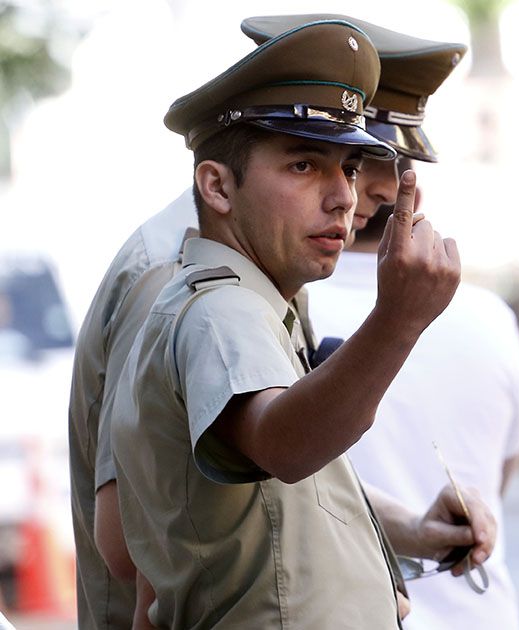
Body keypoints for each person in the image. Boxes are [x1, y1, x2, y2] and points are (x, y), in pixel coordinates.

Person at [67, 17, 476, 629]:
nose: (365, 193)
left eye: (355, 163)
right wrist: (397, 321)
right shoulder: (194, 290)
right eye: (306, 164)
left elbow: (262, 495)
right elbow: (135, 541)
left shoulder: (264, 279)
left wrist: (396, 541)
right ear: (218, 184)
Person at [307, 156, 519, 630]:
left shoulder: (290, 307)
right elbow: (500, 478)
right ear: (414, 203)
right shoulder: (491, 317)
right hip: (480, 610)